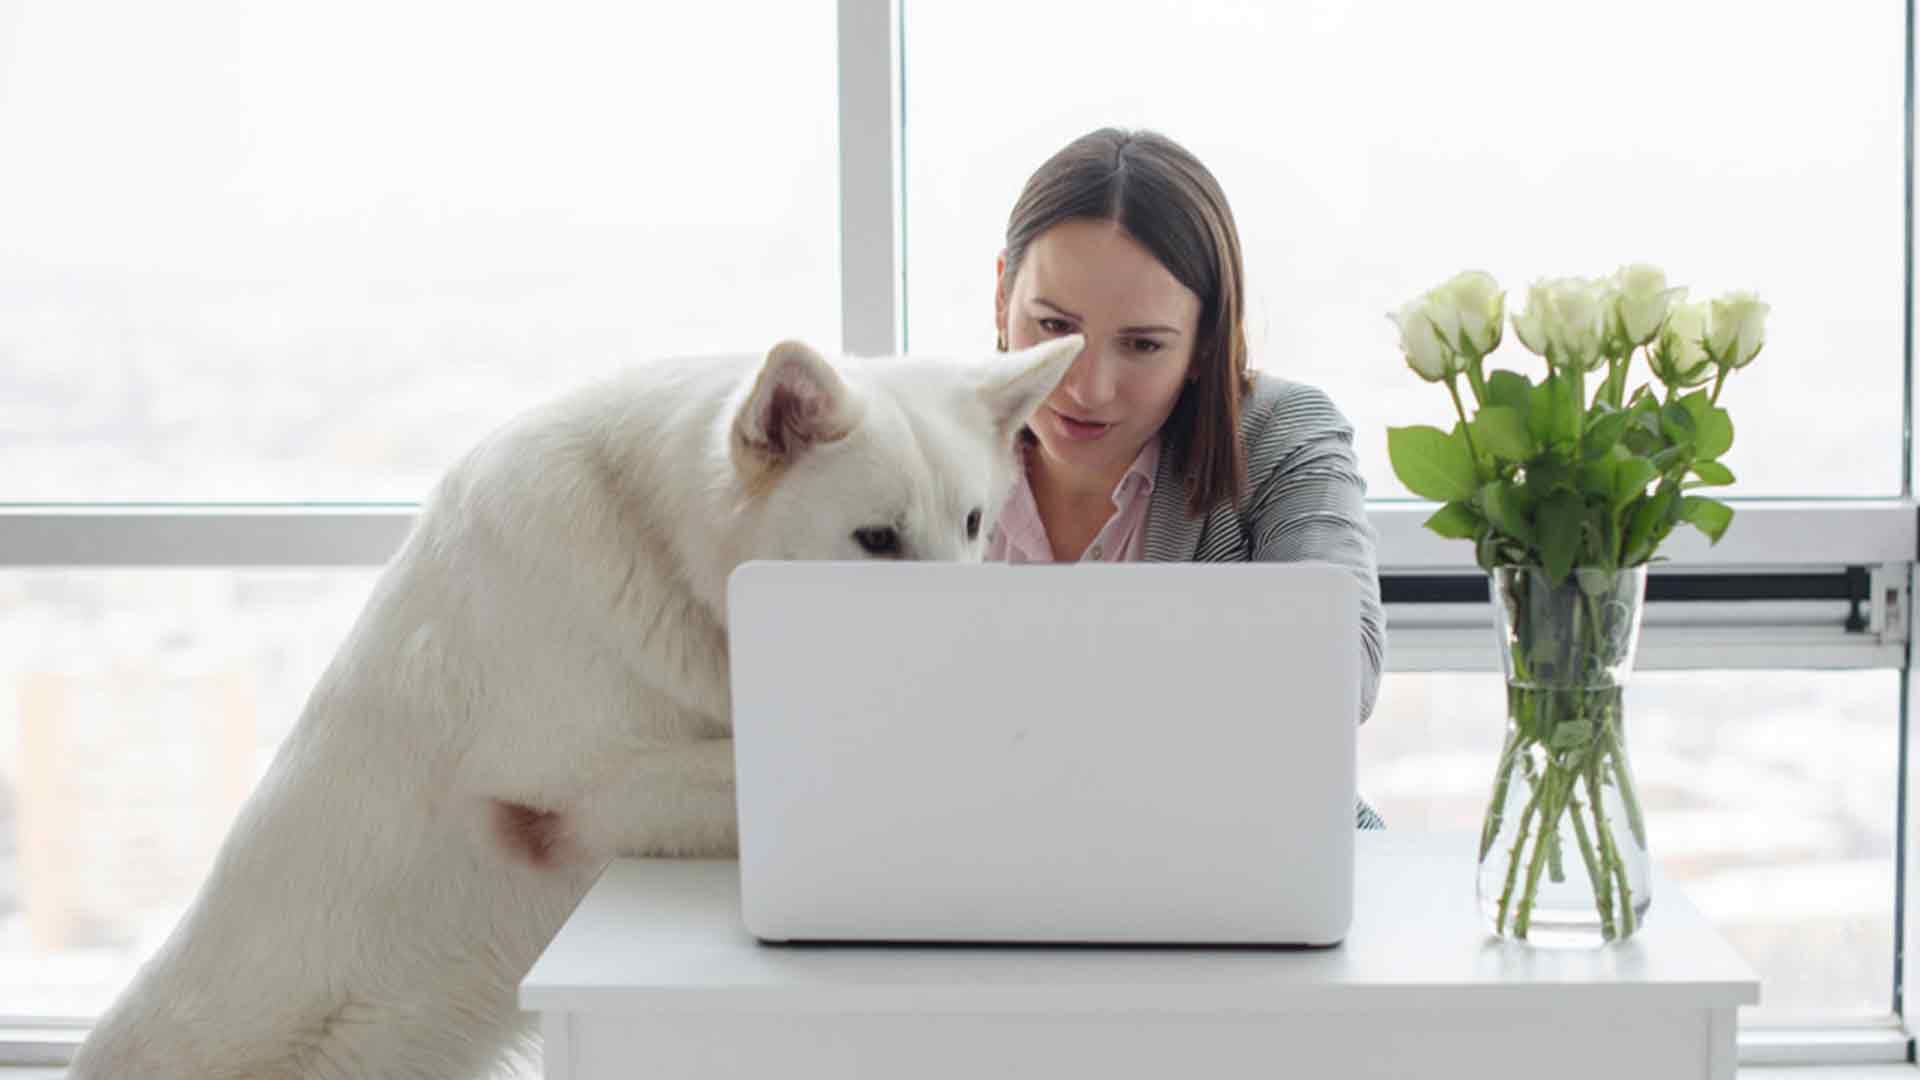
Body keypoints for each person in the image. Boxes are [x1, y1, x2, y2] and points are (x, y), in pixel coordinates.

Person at [986, 127, 1387, 829]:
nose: (1087, 387)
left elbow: (1339, 678)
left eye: (1141, 344)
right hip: (981, 857)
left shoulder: (1281, 434)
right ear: (1001, 299)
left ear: (1205, 341)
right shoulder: (925, 445)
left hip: (1242, 857)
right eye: (1052, 327)